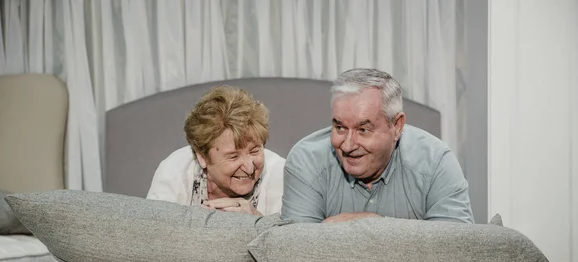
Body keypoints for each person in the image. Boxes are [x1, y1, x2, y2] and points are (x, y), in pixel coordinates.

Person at [281, 68, 474, 224]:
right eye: (339, 127)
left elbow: (457, 251)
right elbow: (298, 255)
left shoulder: (436, 163)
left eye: (363, 130)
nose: (347, 145)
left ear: (396, 126)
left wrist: (376, 225)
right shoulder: (306, 161)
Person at [147, 86, 285, 216]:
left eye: (255, 151)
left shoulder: (282, 175)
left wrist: (257, 221)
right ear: (202, 157)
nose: (249, 168)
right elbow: (153, 234)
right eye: (233, 156)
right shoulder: (175, 171)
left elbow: (295, 238)